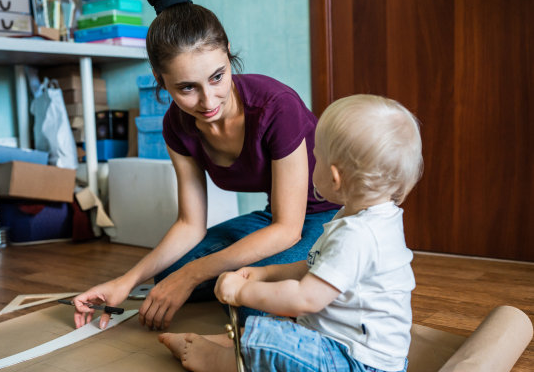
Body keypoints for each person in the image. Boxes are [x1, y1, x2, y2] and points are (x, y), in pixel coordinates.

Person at [73, 0, 340, 331]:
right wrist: (126, 281)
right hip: (272, 220)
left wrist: (194, 273)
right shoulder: (176, 127)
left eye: (217, 76)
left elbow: (288, 229)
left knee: (251, 304)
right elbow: (190, 224)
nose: (208, 100)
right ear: (160, 78)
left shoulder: (277, 107)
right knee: (165, 276)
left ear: (227, 52)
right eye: (187, 88)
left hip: (326, 217)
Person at [159, 94, 423, 372]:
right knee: (277, 325)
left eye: (315, 156)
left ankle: (220, 361)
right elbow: (316, 266)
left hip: (356, 363)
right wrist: (266, 274)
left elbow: (304, 299)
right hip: (348, 347)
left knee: (273, 335)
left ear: (334, 177)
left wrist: (243, 292)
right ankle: (241, 344)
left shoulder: (357, 236)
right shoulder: (369, 216)